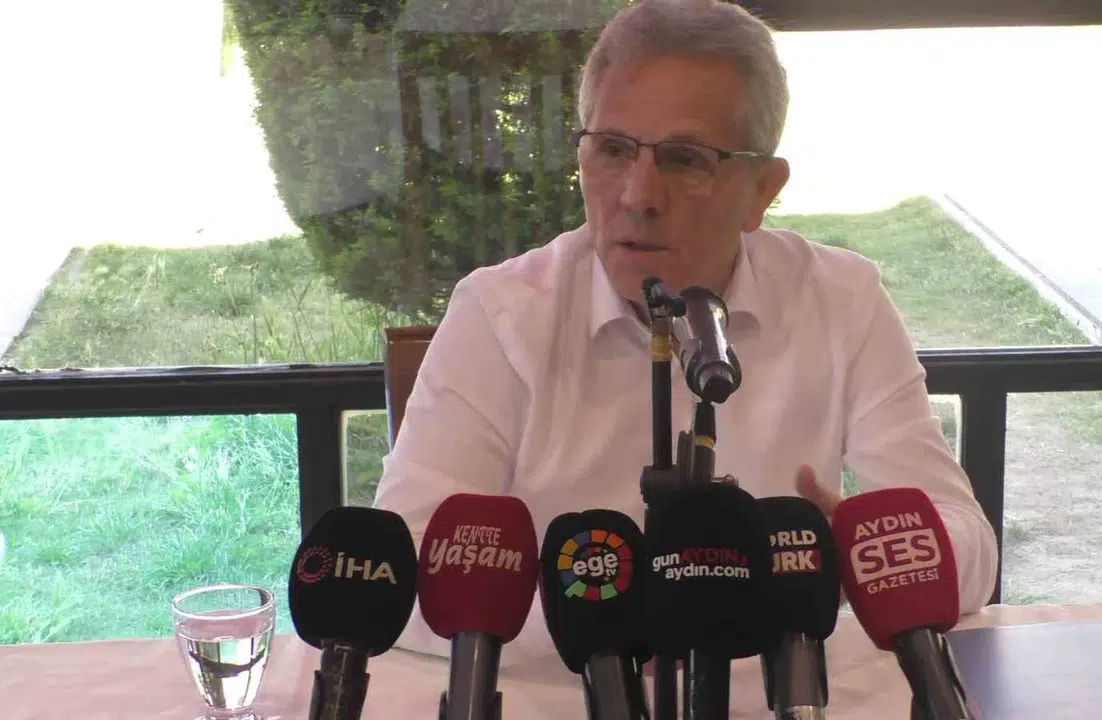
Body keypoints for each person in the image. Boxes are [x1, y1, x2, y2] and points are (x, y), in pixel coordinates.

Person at [374, 0, 999, 661]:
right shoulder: (498, 314)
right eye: (612, 149)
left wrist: (858, 557)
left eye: (683, 159)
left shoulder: (843, 300)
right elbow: (401, 574)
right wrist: (618, 617)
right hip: (559, 693)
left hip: (778, 693)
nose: (638, 196)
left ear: (762, 189)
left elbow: (970, 550)